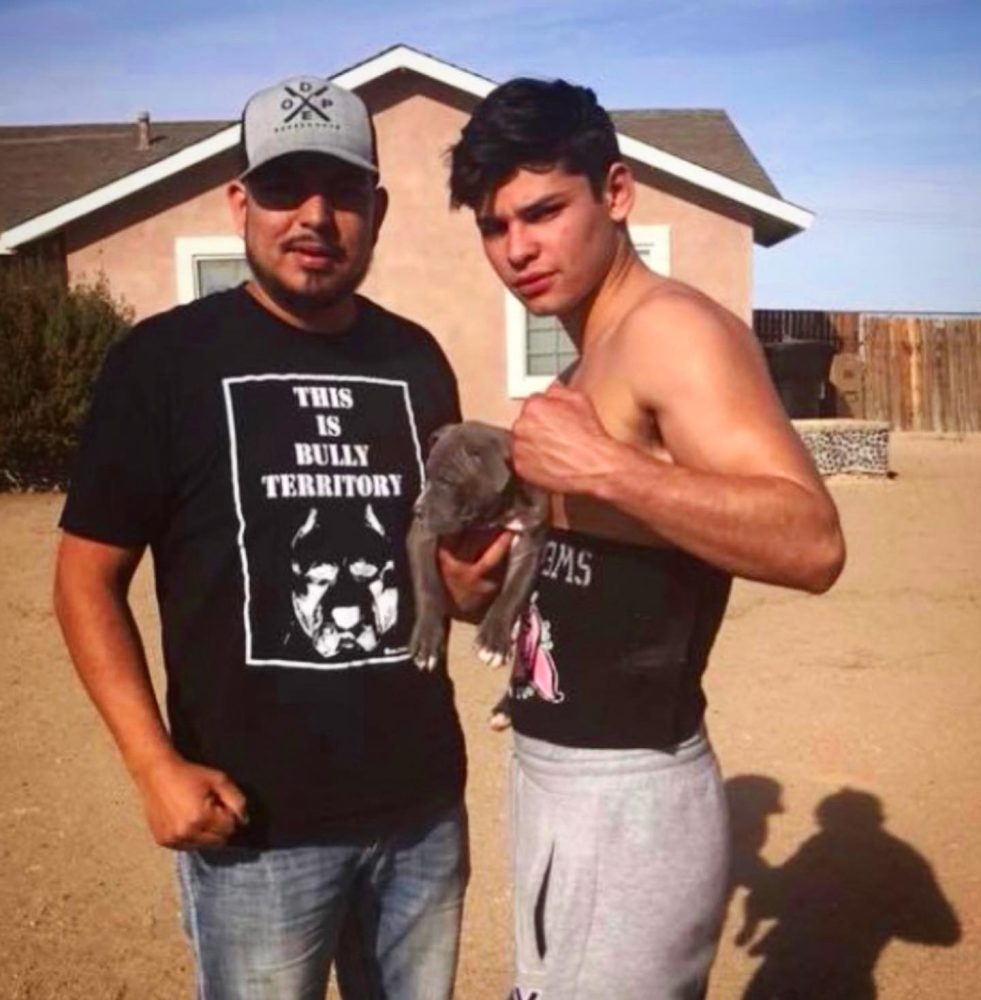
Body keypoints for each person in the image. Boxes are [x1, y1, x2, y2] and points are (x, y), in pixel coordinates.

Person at [53, 75, 501, 1000]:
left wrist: (473, 583)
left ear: (374, 210)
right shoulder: (162, 363)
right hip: (253, 824)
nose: (313, 216)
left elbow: (441, 577)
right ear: (238, 203)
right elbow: (84, 581)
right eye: (283, 189)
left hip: (419, 809)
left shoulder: (415, 359)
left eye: (340, 193)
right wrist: (153, 765)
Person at [448, 78, 847, 999]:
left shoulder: (672, 331)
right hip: (562, 782)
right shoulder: (594, 348)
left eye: (543, 212)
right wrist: (485, 584)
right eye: (493, 225)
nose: (517, 249)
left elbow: (812, 541)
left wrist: (608, 470)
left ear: (615, 193)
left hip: (626, 794)